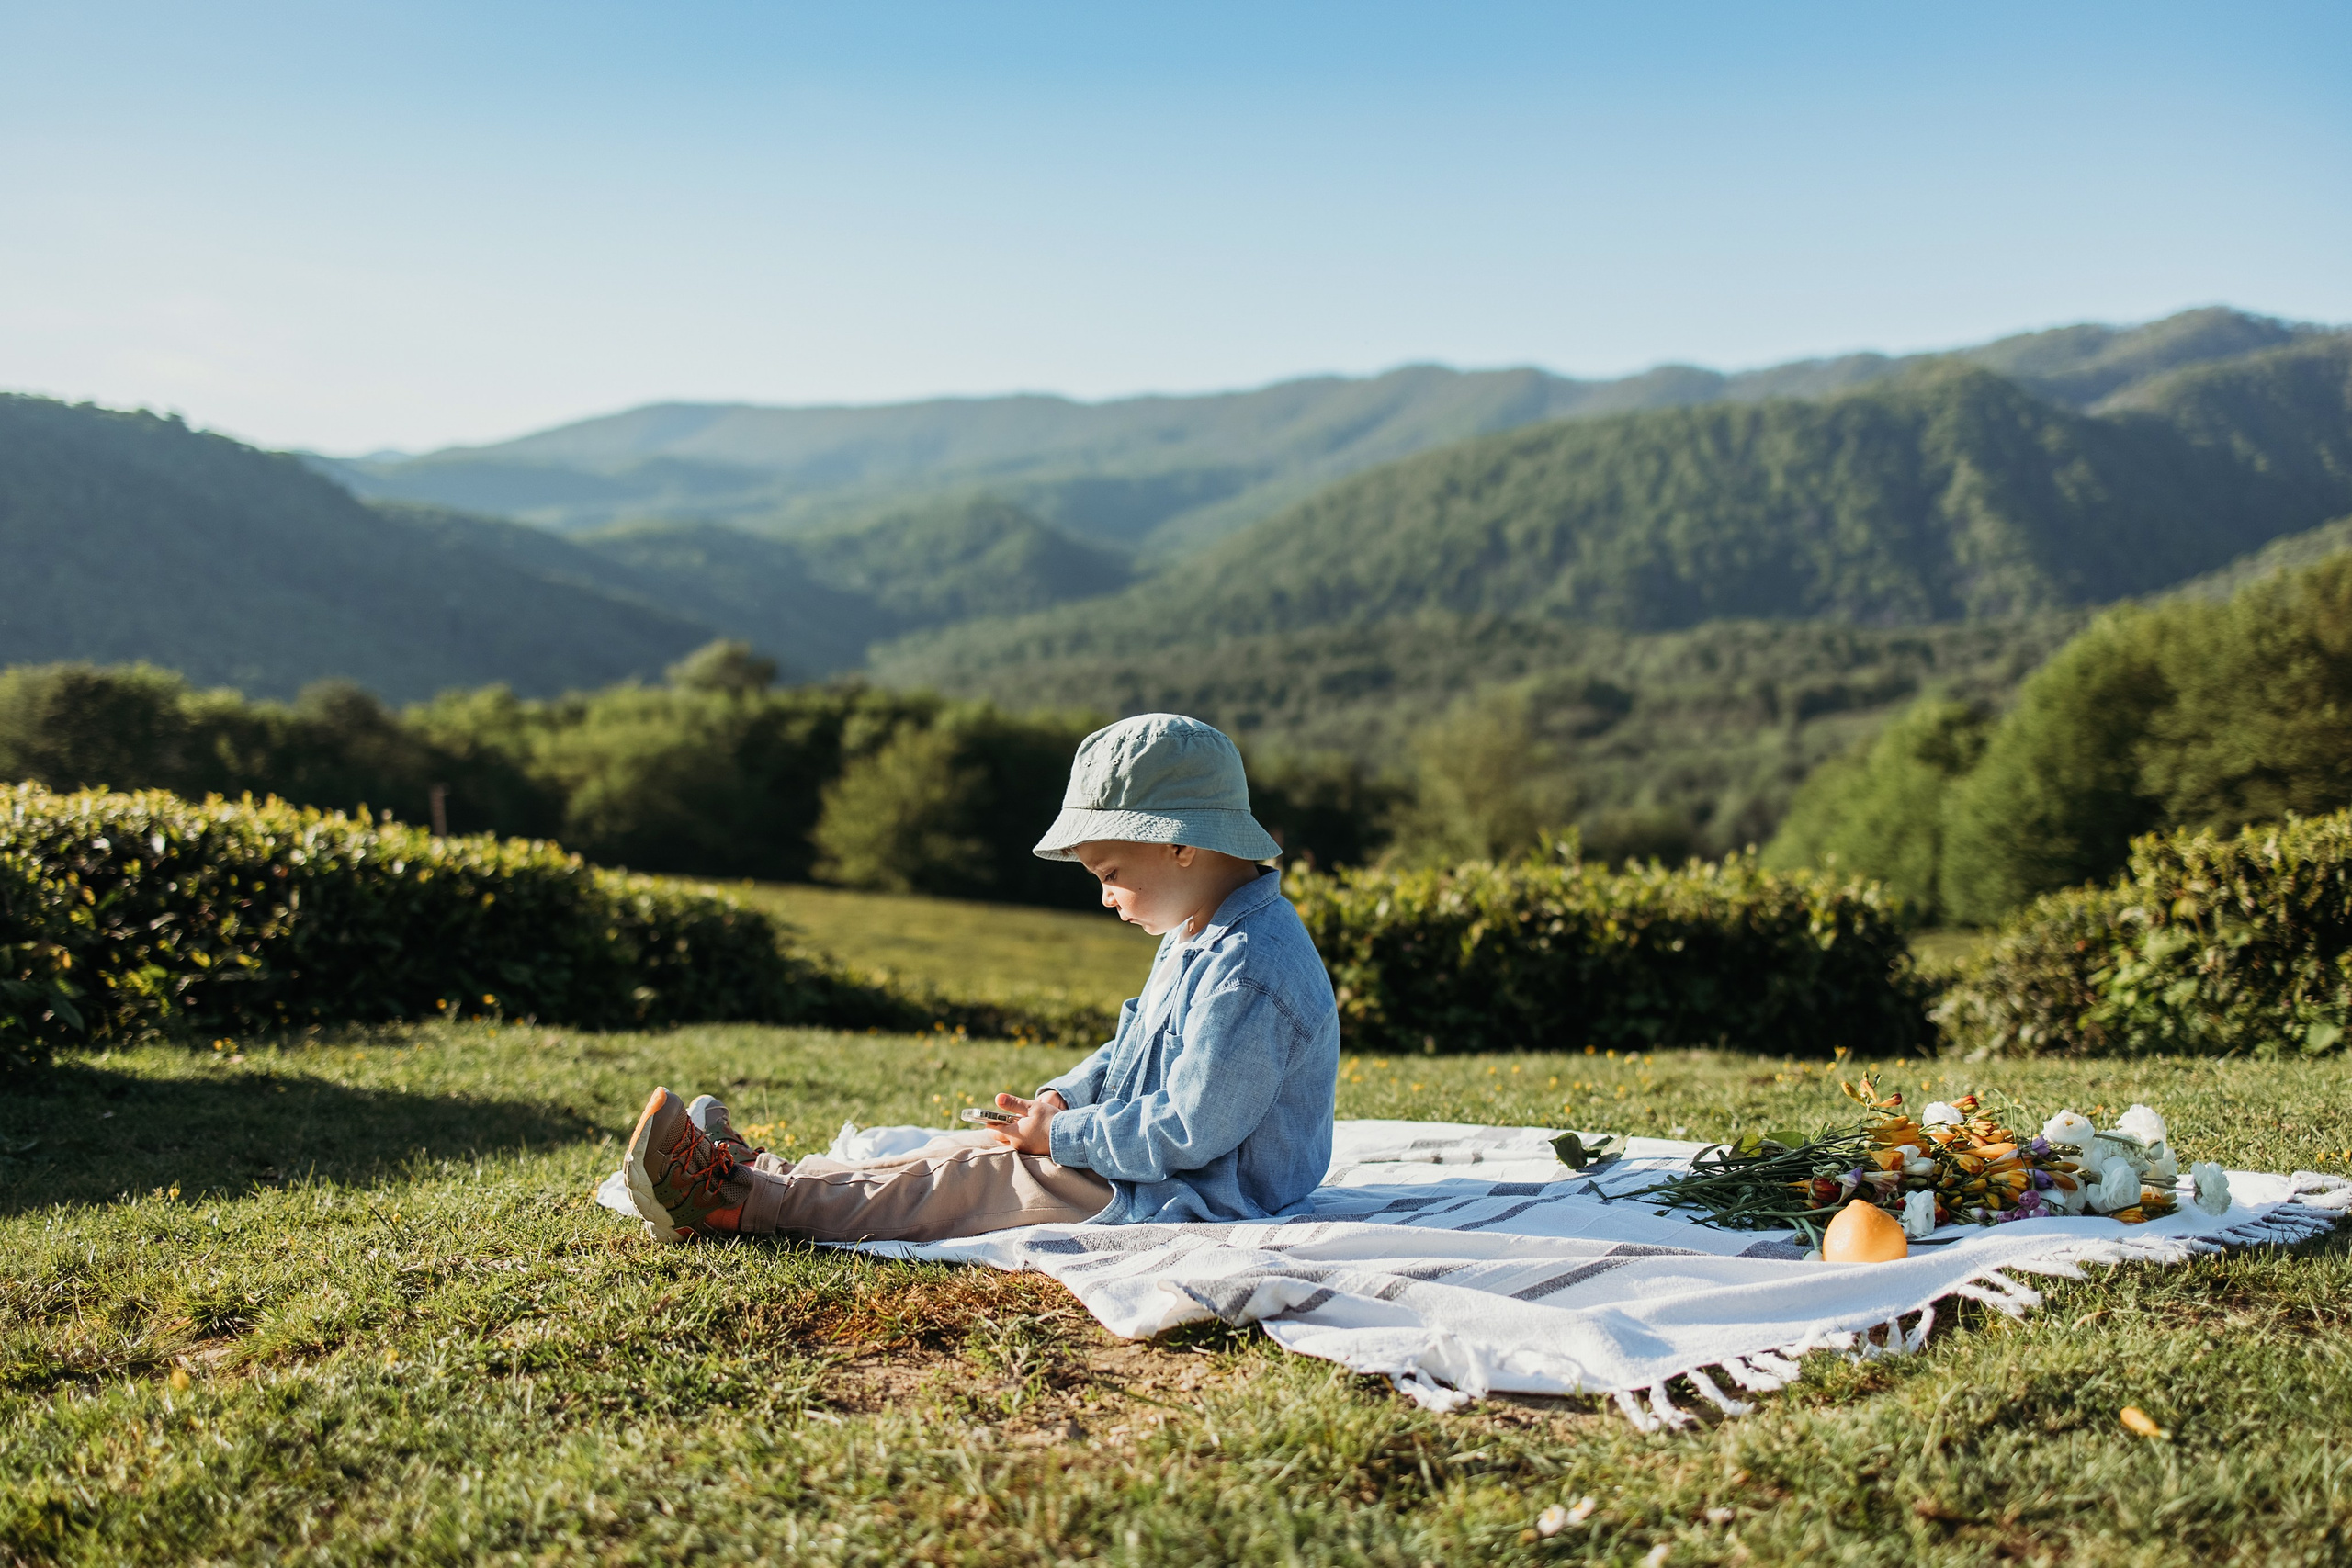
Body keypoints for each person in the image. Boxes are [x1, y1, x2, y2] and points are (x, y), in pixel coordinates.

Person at [620, 712, 1341, 1245]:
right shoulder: (1199, 927)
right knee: (959, 1151)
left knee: (968, 1182)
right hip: (1138, 1155)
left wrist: (1064, 1135)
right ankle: (766, 1173)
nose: (1105, 897)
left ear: (1179, 844)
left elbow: (1191, 1127)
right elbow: (1136, 1042)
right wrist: (1063, 1099)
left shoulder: (1250, 970)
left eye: (1111, 875)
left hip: (1189, 1189)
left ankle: (730, 1203)